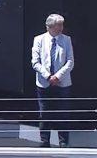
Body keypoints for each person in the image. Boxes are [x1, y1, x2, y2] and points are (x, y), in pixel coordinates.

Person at [31, 13, 74, 148]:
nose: (61, 28)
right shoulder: (39, 40)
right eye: (58, 25)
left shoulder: (66, 40)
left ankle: (63, 142)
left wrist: (57, 77)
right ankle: (45, 141)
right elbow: (35, 62)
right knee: (44, 114)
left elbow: (70, 62)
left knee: (63, 114)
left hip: (62, 83)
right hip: (44, 83)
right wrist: (48, 77)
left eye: (62, 25)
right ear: (50, 27)